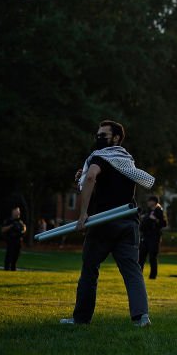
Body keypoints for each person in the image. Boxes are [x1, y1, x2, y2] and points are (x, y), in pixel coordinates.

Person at [61, 120, 156, 326]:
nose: (98, 138)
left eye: (103, 135)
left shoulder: (100, 157)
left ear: (116, 138)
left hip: (103, 222)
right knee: (132, 271)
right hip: (128, 222)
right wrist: (84, 175)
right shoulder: (126, 160)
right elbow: (95, 178)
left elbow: (91, 177)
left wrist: (83, 214)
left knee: (89, 270)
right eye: (98, 134)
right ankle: (141, 317)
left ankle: (81, 319)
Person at [138, 195, 167, 279]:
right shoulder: (148, 211)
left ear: (154, 202)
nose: (148, 202)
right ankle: (139, 275)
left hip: (154, 238)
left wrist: (155, 219)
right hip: (145, 237)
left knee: (152, 257)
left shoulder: (159, 211)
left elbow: (164, 224)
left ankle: (153, 276)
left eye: (150, 201)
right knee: (141, 257)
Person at [1, 206, 26, 271]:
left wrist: (23, 230)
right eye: (16, 211)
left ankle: (13, 268)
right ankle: (6, 268)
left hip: (18, 241)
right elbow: (3, 229)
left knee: (16, 256)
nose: (18, 213)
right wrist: (11, 226)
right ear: (13, 212)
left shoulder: (20, 221)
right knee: (9, 255)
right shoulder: (9, 220)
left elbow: (24, 229)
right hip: (11, 241)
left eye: (18, 211)